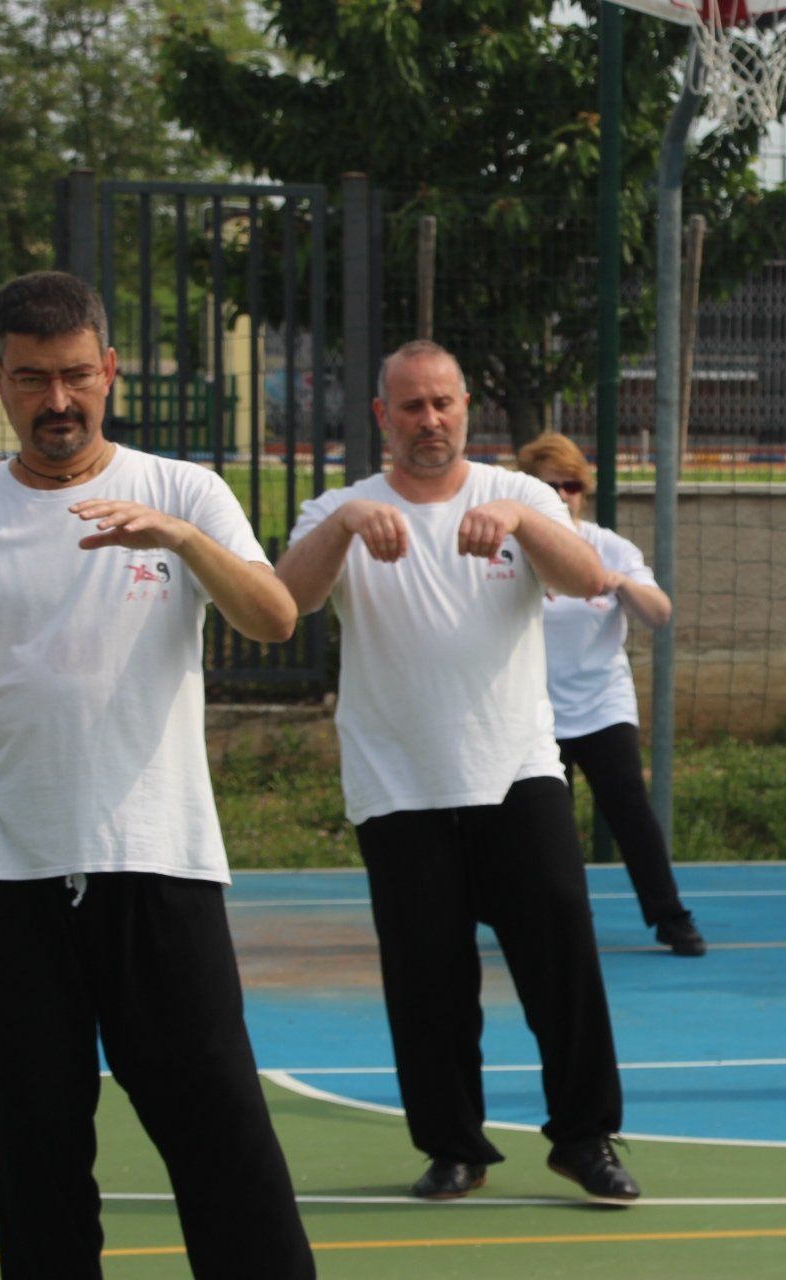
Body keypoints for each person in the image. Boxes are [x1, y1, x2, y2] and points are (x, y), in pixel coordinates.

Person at [0, 271, 314, 1276]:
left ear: (112, 370)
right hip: (7, 875)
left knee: (217, 1123)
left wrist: (179, 539)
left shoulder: (184, 492)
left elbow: (274, 615)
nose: (58, 401)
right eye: (32, 379)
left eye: (77, 375)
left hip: (154, 860)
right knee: (35, 1144)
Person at [277, 340, 640, 1203]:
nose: (429, 420)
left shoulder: (516, 495)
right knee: (426, 982)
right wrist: (339, 530)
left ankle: (585, 1137)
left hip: (517, 772)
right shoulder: (339, 507)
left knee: (563, 962)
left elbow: (591, 576)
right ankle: (453, 1146)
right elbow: (285, 602)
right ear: (381, 416)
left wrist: (523, 521)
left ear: (466, 406)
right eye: (411, 406)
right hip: (398, 785)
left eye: (443, 403)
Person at [516, 432, 703, 956]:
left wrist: (621, 584)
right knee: (542, 824)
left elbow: (659, 613)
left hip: (602, 705)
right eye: (548, 487)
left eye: (571, 485)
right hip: (534, 709)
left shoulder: (610, 547)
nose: (561, 496)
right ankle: (559, 921)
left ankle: (670, 916)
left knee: (630, 810)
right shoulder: (512, 550)